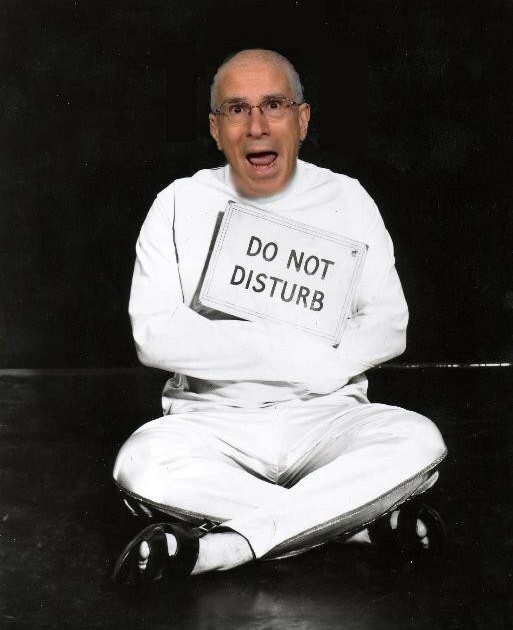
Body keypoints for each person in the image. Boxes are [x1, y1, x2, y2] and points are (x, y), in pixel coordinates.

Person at [112, 49, 447, 584]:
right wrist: (293, 349)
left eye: (274, 105)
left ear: (302, 119)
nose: (257, 126)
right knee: (141, 464)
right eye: (236, 109)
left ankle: (223, 548)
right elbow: (156, 336)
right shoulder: (177, 202)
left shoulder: (347, 198)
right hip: (212, 421)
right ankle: (354, 527)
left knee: (418, 440)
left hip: (326, 415)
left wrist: (299, 362)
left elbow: (388, 325)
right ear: (216, 129)